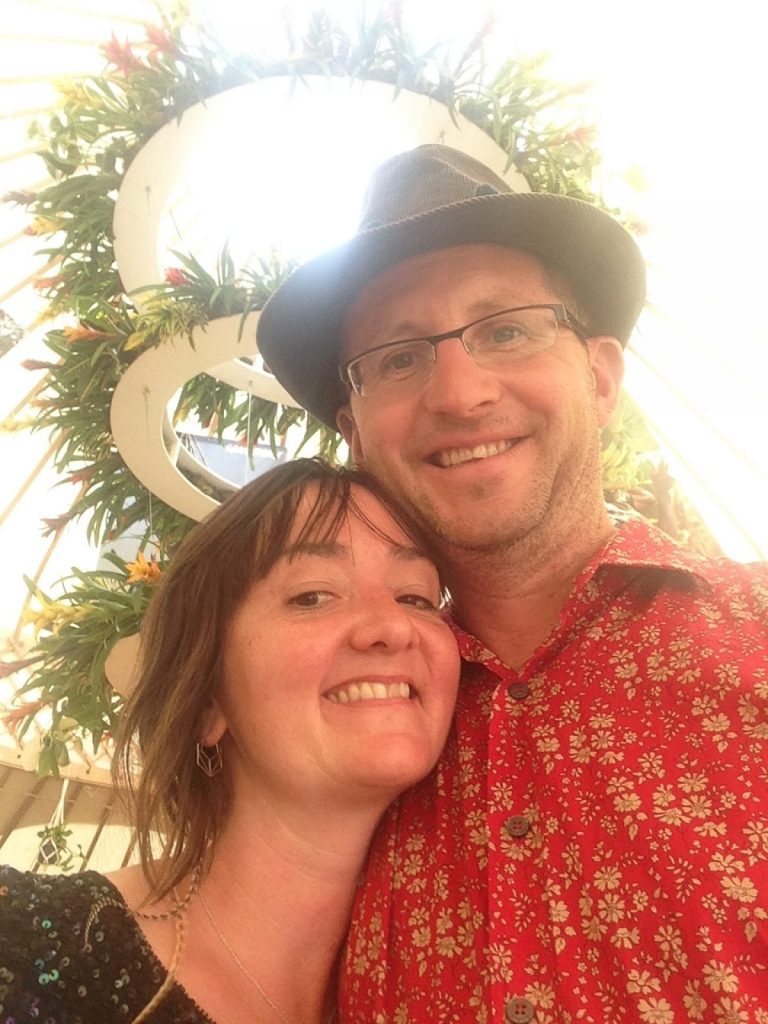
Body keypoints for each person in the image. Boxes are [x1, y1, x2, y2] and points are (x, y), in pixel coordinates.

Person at [257, 145, 768, 1022]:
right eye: (398, 358)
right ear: (356, 433)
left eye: (506, 330)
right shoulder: (345, 727)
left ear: (599, 378)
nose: (460, 394)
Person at [0, 458, 460, 1024]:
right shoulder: (27, 946)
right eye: (313, 596)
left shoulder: (467, 989)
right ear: (207, 703)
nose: (392, 626)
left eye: (416, 598)